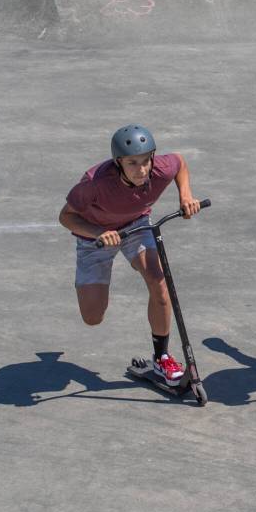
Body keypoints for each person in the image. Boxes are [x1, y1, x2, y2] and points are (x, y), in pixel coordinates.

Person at [59, 124, 201, 385]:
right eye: (133, 163)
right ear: (118, 163)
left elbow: (179, 162)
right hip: (96, 238)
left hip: (136, 225)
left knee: (159, 282)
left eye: (146, 161)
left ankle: (161, 359)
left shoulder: (160, 168)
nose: (142, 169)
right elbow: (66, 217)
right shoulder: (93, 185)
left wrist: (185, 196)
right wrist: (98, 233)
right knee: (92, 317)